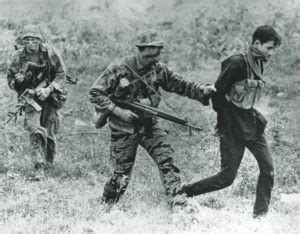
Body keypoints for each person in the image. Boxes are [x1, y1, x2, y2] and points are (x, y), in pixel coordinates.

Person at [89, 30, 216, 210]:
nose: (157, 55)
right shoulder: (119, 68)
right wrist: (117, 111)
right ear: (143, 50)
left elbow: (181, 85)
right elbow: (95, 92)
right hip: (123, 128)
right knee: (121, 175)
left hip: (149, 125)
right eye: (154, 50)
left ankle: (178, 203)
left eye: (159, 50)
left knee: (167, 161)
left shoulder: (159, 69)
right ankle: (106, 205)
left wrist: (202, 91)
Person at [179, 25, 282, 218]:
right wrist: (225, 122)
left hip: (251, 122)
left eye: (273, 48)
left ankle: (260, 217)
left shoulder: (259, 62)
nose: (272, 52)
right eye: (269, 47)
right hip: (232, 125)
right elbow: (217, 95)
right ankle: (183, 192)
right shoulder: (236, 63)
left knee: (268, 170)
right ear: (256, 43)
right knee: (226, 178)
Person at [7, 24, 67, 180]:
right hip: (30, 98)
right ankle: (38, 167)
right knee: (35, 130)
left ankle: (49, 163)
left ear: (40, 40)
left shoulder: (50, 52)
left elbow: (61, 74)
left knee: (50, 132)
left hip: (50, 97)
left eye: (34, 39)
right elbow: (11, 81)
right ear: (23, 41)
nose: (31, 43)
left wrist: (49, 89)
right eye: (27, 40)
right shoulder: (18, 57)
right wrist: (18, 81)